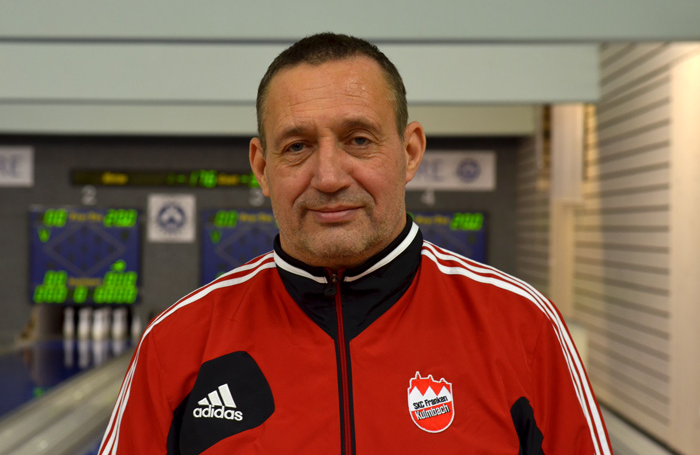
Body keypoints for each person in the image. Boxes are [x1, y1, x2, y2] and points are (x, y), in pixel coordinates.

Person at [99, 33, 612, 455]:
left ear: (410, 152)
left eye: (359, 140)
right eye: (297, 146)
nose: (328, 177)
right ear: (261, 167)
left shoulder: (524, 326)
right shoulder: (174, 344)